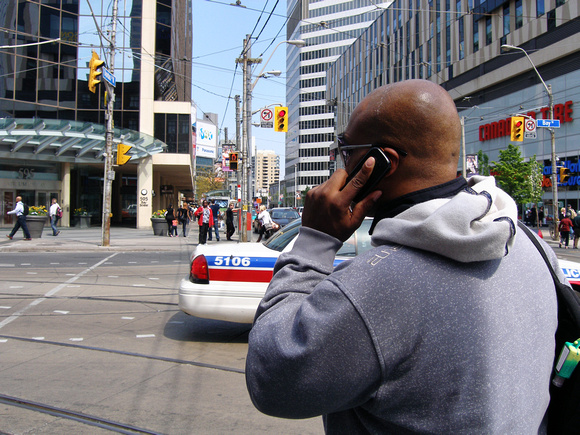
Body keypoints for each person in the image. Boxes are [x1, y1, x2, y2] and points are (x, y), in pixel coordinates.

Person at [246, 80, 560, 433]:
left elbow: (270, 381)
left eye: (347, 149)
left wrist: (314, 242)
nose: (342, 163)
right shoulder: (533, 246)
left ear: (381, 163)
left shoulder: (373, 286)